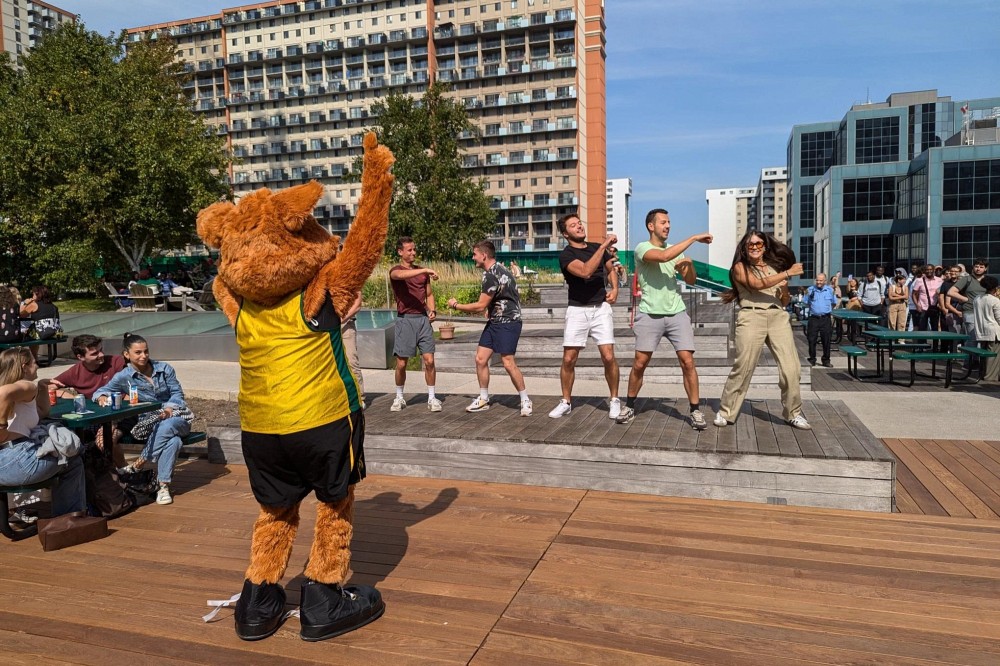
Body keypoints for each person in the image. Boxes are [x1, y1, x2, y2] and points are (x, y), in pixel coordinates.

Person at [616, 209, 713, 428]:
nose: (667, 226)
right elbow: (662, 257)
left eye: (669, 222)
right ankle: (630, 405)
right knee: (640, 364)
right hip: (650, 314)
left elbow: (690, 279)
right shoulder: (643, 248)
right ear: (651, 226)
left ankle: (695, 411)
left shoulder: (675, 250)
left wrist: (688, 266)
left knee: (688, 362)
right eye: (663, 222)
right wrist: (694, 238)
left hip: (677, 313)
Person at [714, 231, 811, 430]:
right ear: (744, 248)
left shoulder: (773, 268)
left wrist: (784, 289)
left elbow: (784, 301)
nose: (755, 247)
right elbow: (756, 285)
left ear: (765, 247)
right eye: (751, 244)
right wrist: (787, 273)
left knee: (791, 369)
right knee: (744, 367)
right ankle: (726, 411)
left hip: (777, 316)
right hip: (751, 315)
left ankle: (793, 413)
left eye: (759, 244)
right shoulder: (739, 267)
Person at [93, 333, 192, 506]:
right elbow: (101, 391)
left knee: (168, 426)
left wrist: (169, 408)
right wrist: (101, 397)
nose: (143, 356)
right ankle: (163, 486)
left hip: (176, 418)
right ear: (126, 354)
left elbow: (177, 394)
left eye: (146, 351)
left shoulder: (164, 369)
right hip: (150, 425)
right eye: (138, 352)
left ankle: (139, 464)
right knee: (173, 442)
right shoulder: (124, 376)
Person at [446, 240, 532, 416]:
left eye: (474, 254)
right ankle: (484, 398)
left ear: (484, 255)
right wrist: (492, 308)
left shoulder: (490, 275)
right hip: (496, 321)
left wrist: (456, 305)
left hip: (507, 323)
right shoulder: (502, 270)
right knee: (480, 359)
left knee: (508, 363)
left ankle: (525, 400)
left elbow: (479, 306)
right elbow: (508, 296)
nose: (473, 257)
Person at [0, 347, 86, 518]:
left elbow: (41, 413)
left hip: (7, 461)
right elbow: (3, 394)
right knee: (73, 458)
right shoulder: (24, 385)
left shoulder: (24, 390)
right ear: (24, 367)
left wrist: (42, 386)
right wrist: (1, 427)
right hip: (17, 461)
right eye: (34, 362)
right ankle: (69, 519)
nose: (37, 366)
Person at [548, 213, 620, 419]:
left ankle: (614, 399)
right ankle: (566, 401)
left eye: (579, 223)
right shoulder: (566, 255)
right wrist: (603, 246)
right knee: (569, 359)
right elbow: (586, 271)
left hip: (600, 309)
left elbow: (610, 269)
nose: (579, 226)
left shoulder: (596, 247)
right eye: (573, 225)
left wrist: (615, 288)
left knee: (608, 356)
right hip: (577, 309)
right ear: (565, 233)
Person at [48, 334, 128, 467]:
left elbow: (132, 384)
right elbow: (48, 386)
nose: (101, 355)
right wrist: (64, 393)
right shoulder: (75, 372)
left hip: (119, 414)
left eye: (101, 350)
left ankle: (124, 472)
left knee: (105, 441)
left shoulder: (116, 362)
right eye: (95, 353)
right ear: (80, 357)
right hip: (94, 417)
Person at [389, 237, 441, 412]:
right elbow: (400, 275)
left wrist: (431, 310)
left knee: (429, 360)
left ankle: (432, 398)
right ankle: (399, 397)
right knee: (402, 363)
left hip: (422, 321)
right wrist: (425, 270)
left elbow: (429, 294)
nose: (413, 253)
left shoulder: (422, 273)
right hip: (405, 321)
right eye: (409, 250)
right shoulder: (395, 271)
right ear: (400, 252)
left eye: (414, 249)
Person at [804, 272, 839, 367]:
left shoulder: (830, 290)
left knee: (826, 340)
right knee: (811, 339)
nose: (818, 282)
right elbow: (805, 302)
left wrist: (826, 310)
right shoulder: (810, 290)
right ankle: (812, 359)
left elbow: (834, 302)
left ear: (825, 281)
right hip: (814, 318)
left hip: (825, 318)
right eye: (817, 280)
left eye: (821, 280)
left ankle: (826, 360)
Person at [972, 275, 1000, 382]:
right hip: (994, 332)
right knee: (993, 358)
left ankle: (983, 374)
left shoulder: (977, 299)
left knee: (984, 356)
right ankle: (990, 378)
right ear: (995, 287)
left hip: (981, 331)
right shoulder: (995, 300)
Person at [340, 292, 365, 403]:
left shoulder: (349, 276)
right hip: (326, 325)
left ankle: (360, 398)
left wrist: (340, 320)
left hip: (345, 324)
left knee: (351, 361)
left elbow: (357, 304)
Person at [911, 264, 943, 331]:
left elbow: (942, 293)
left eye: (931, 269)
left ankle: (935, 341)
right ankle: (922, 341)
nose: (929, 271)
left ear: (934, 270)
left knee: (935, 328)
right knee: (922, 328)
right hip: (923, 307)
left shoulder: (939, 280)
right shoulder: (919, 280)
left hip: (935, 307)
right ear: (924, 271)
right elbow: (914, 294)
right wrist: (917, 305)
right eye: (927, 270)